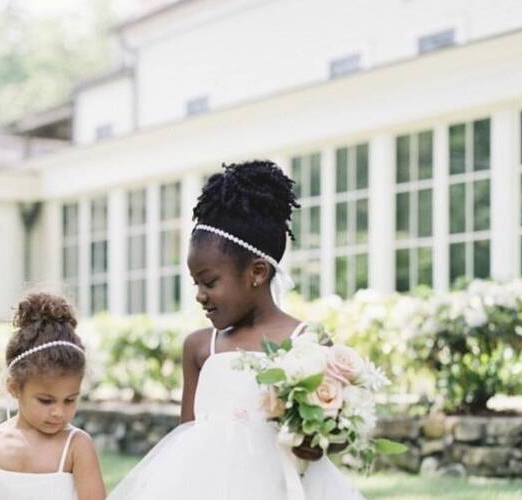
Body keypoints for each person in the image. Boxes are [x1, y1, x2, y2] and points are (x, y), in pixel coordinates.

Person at [108, 160, 363, 500]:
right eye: (195, 282)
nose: (199, 294)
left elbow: (336, 433)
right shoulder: (200, 348)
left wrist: (317, 443)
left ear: (257, 273)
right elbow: (185, 437)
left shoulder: (308, 343)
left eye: (210, 282)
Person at [0, 292, 106, 500]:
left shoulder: (77, 446)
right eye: (45, 400)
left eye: (70, 400)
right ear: (14, 387)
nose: (59, 412)